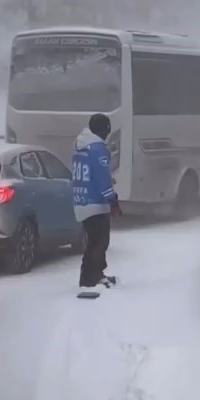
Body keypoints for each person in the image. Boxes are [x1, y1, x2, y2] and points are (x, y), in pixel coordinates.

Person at [72, 113, 122, 289]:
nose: (108, 134)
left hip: (81, 200)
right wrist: (112, 199)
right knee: (99, 242)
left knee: (94, 241)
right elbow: (102, 177)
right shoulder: (98, 149)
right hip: (95, 202)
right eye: (107, 129)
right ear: (103, 129)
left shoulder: (81, 146)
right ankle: (91, 277)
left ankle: (93, 275)